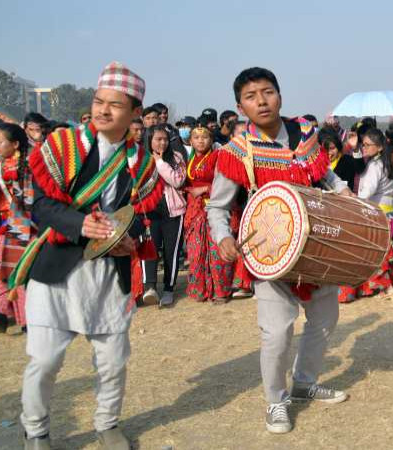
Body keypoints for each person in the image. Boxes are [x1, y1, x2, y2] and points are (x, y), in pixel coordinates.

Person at [16, 61, 164, 450]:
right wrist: (80, 225)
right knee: (45, 361)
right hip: (57, 272)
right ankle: (35, 431)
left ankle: (107, 424)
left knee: (113, 362)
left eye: (114, 105)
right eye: (99, 101)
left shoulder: (143, 164)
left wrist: (129, 239)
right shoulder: (62, 146)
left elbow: (138, 216)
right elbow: (41, 207)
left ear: (135, 114)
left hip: (107, 275)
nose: (102, 110)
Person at [206, 67, 352, 434]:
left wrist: (345, 193)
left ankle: (304, 383)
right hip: (269, 254)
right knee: (276, 333)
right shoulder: (236, 151)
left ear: (280, 95)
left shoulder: (306, 135)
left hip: (318, 247)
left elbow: (326, 176)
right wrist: (223, 237)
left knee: (324, 322)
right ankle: (276, 400)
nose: (261, 101)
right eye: (251, 96)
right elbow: (217, 206)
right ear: (240, 107)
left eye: (267, 92)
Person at [337, 128, 393, 303]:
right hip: (387, 211)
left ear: (379, 147)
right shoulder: (384, 162)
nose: (364, 148)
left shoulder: (375, 165)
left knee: (375, 252)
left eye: (367, 145)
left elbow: (367, 192)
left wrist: (352, 198)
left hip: (378, 213)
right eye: (363, 144)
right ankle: (381, 286)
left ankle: (384, 287)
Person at [0, 123, 34, 333]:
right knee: (2, 271)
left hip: (29, 226)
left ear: (15, 144)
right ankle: (0, 314)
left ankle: (26, 320)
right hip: (8, 227)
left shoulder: (30, 164)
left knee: (22, 273)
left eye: (0, 142)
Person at [184, 125, 234, 303]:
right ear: (190, 141)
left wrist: (205, 189)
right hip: (194, 211)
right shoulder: (188, 158)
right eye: (196, 138)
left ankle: (221, 292)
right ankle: (200, 289)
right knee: (196, 253)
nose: (200, 141)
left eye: (204, 137)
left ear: (211, 140)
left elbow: (226, 183)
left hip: (214, 207)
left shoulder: (217, 157)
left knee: (215, 250)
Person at [141, 124, 186, 308]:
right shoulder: (140, 159)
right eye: (158, 139)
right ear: (149, 140)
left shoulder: (176, 157)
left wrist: (160, 163)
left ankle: (168, 289)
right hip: (149, 210)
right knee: (149, 248)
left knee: (171, 251)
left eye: (165, 139)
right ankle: (149, 287)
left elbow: (177, 180)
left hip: (173, 211)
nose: (162, 143)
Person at [320, 127, 363, 191]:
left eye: (332, 148)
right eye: (326, 149)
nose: (329, 153)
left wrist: (355, 149)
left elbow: (360, 169)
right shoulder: (316, 163)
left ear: (338, 146)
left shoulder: (347, 161)